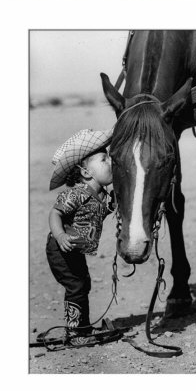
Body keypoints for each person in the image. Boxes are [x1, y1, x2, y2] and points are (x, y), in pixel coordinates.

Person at [45, 128, 115, 345]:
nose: (110, 162)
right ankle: (75, 334)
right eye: (104, 159)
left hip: (74, 251)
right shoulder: (78, 193)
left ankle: (81, 327)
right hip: (61, 248)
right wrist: (60, 235)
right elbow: (55, 213)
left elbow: (109, 209)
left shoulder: (101, 196)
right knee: (76, 286)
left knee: (83, 284)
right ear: (86, 173)